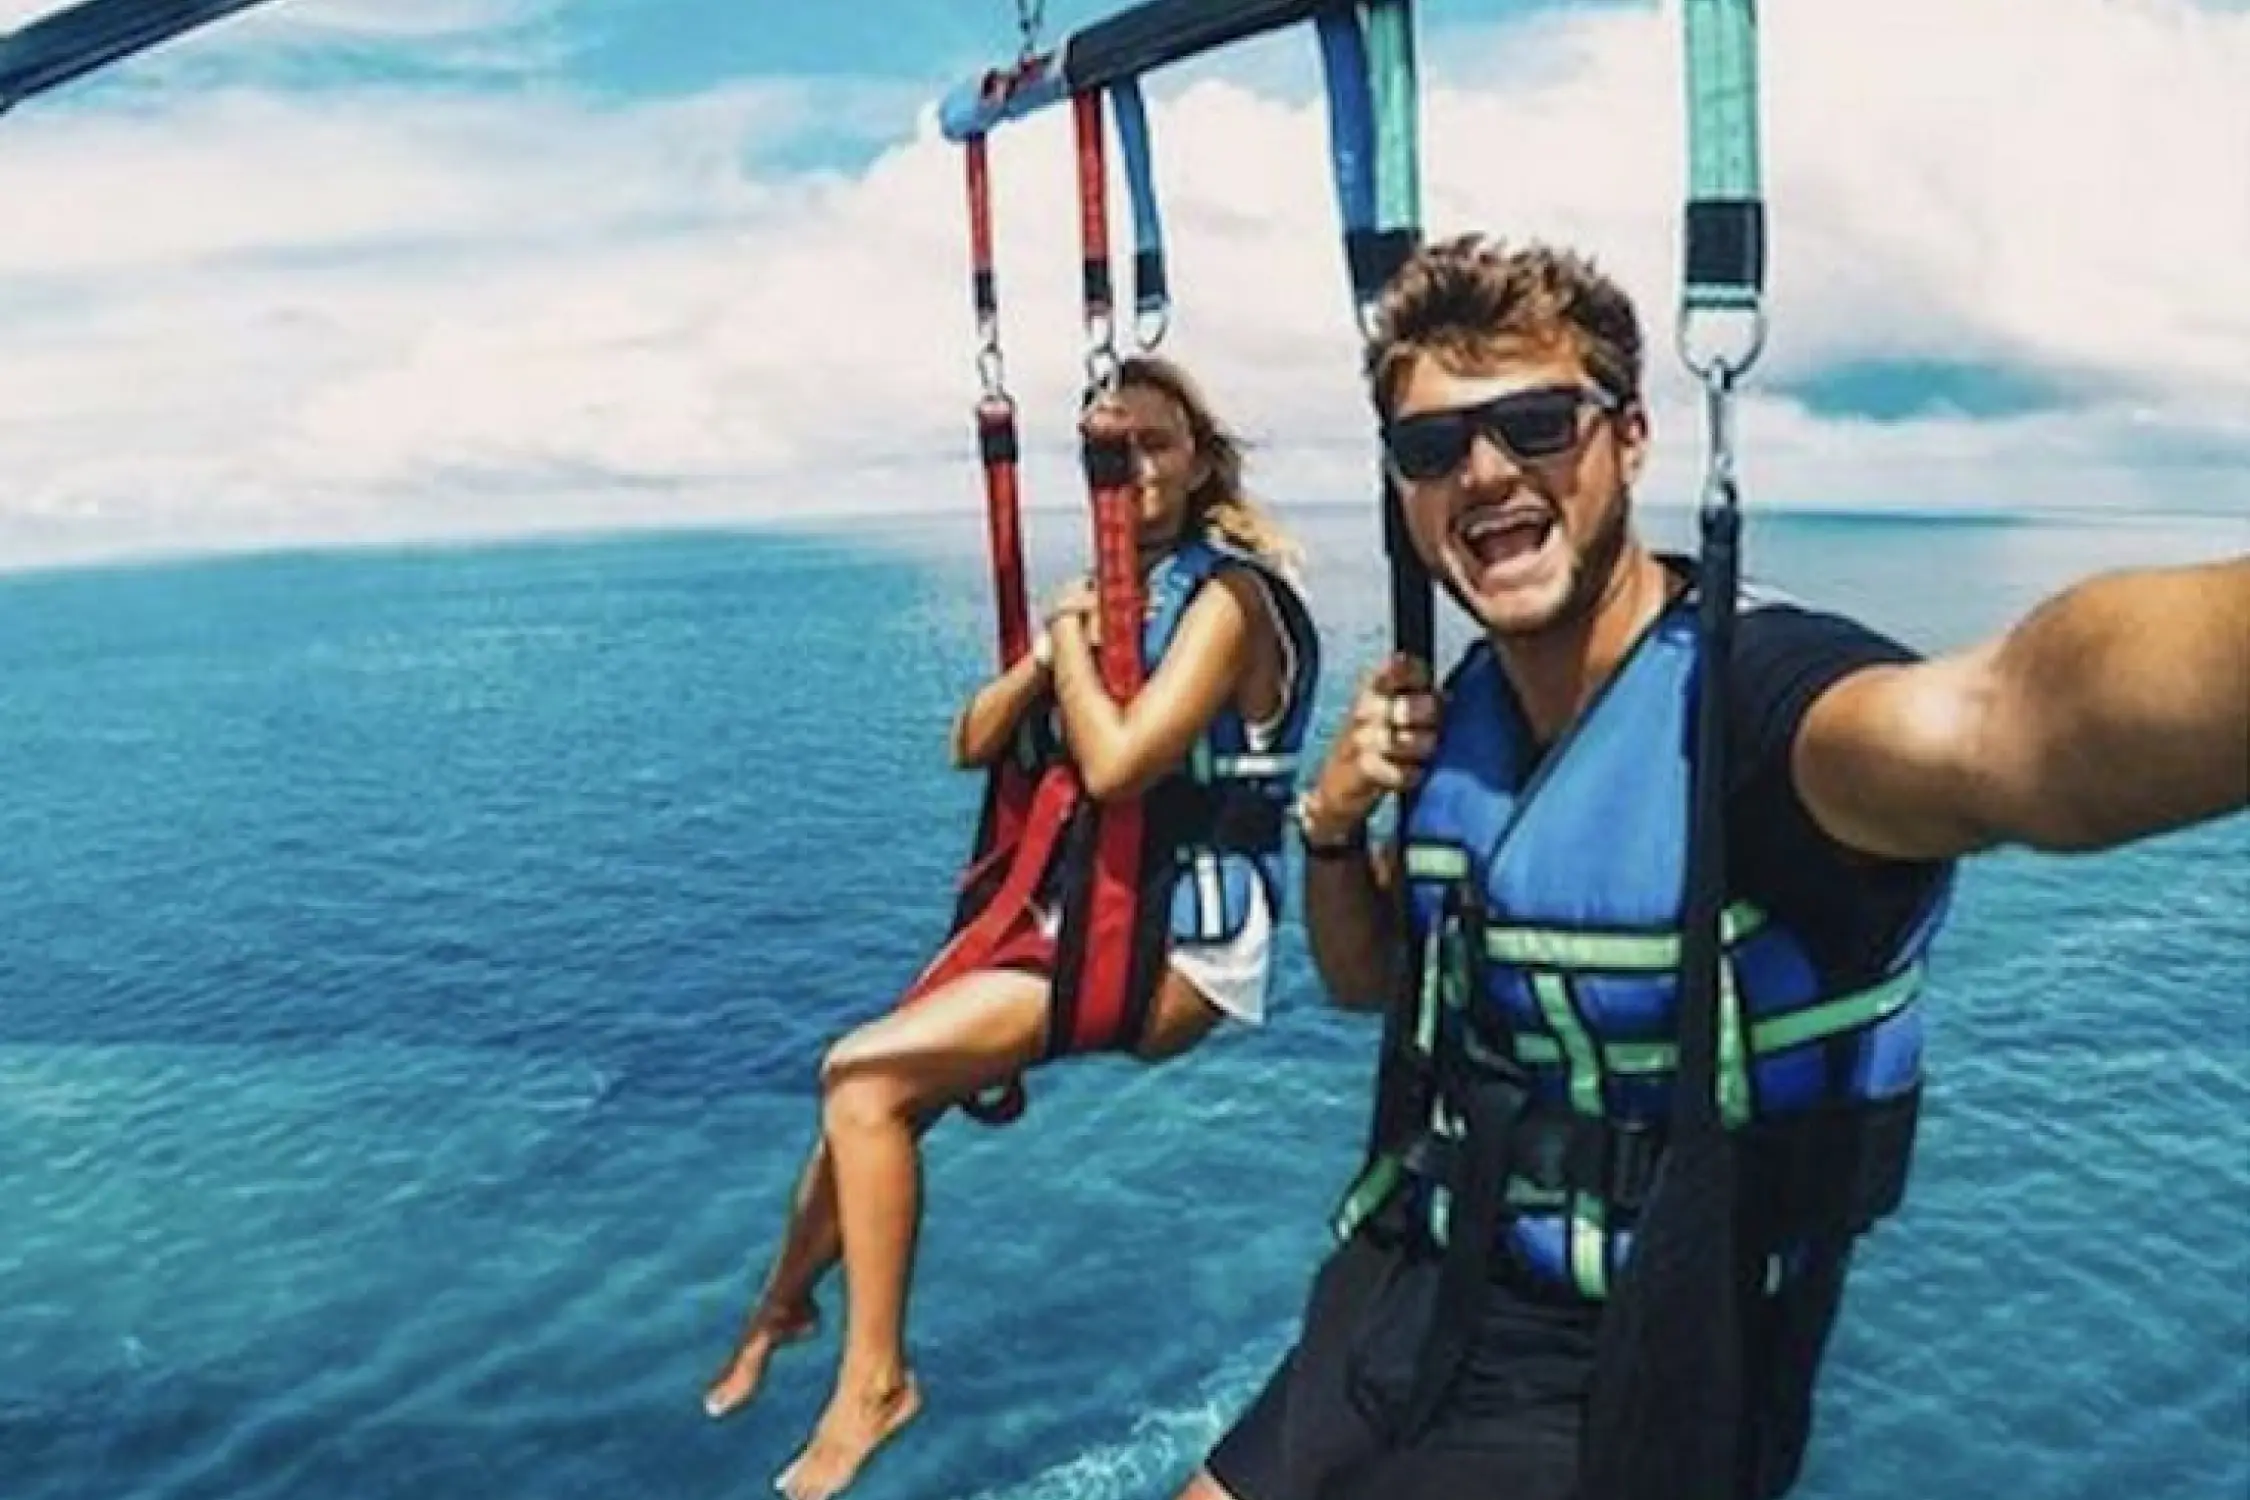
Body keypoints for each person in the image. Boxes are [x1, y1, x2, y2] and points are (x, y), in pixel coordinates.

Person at [1177, 235, 2250, 1500]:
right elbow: (1370, 986)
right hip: (1424, 1283)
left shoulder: (1752, 709)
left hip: (1649, 1365)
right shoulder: (1459, 710)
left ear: (1629, 437)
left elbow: (2011, 727)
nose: (1482, 472)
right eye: (1431, 447)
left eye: (1534, 422)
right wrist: (1334, 824)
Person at [702, 353, 1323, 1500]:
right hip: (1089, 922)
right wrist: (1052, 649)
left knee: (862, 1079)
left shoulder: (1228, 602)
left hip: (1181, 954)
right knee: (871, 1100)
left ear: (1196, 465)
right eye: (1108, 449)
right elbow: (973, 740)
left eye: (1154, 444)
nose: (1130, 465)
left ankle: (874, 1383)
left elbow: (1125, 763)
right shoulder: (1106, 600)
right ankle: (782, 1306)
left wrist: (1076, 653)